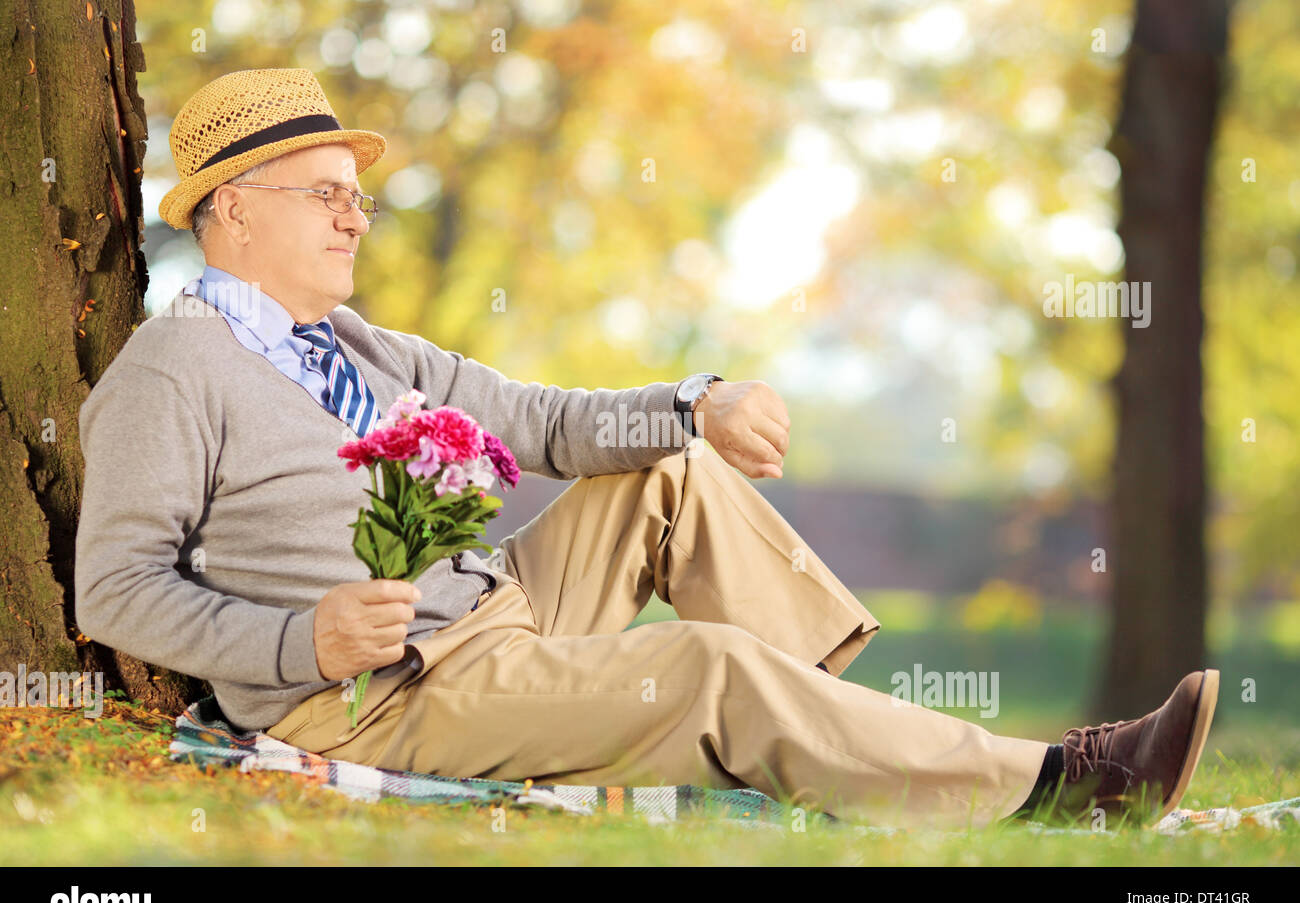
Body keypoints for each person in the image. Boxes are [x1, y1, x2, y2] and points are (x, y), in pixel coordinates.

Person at [75, 68, 1219, 831]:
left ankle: (858, 749)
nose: (355, 217)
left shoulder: (361, 343)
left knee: (672, 471)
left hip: (495, 608)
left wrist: (696, 402)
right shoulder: (170, 371)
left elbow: (543, 422)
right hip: (379, 690)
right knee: (709, 668)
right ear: (230, 213)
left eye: (359, 196)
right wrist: (297, 635)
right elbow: (112, 589)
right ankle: (1068, 792)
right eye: (325, 194)